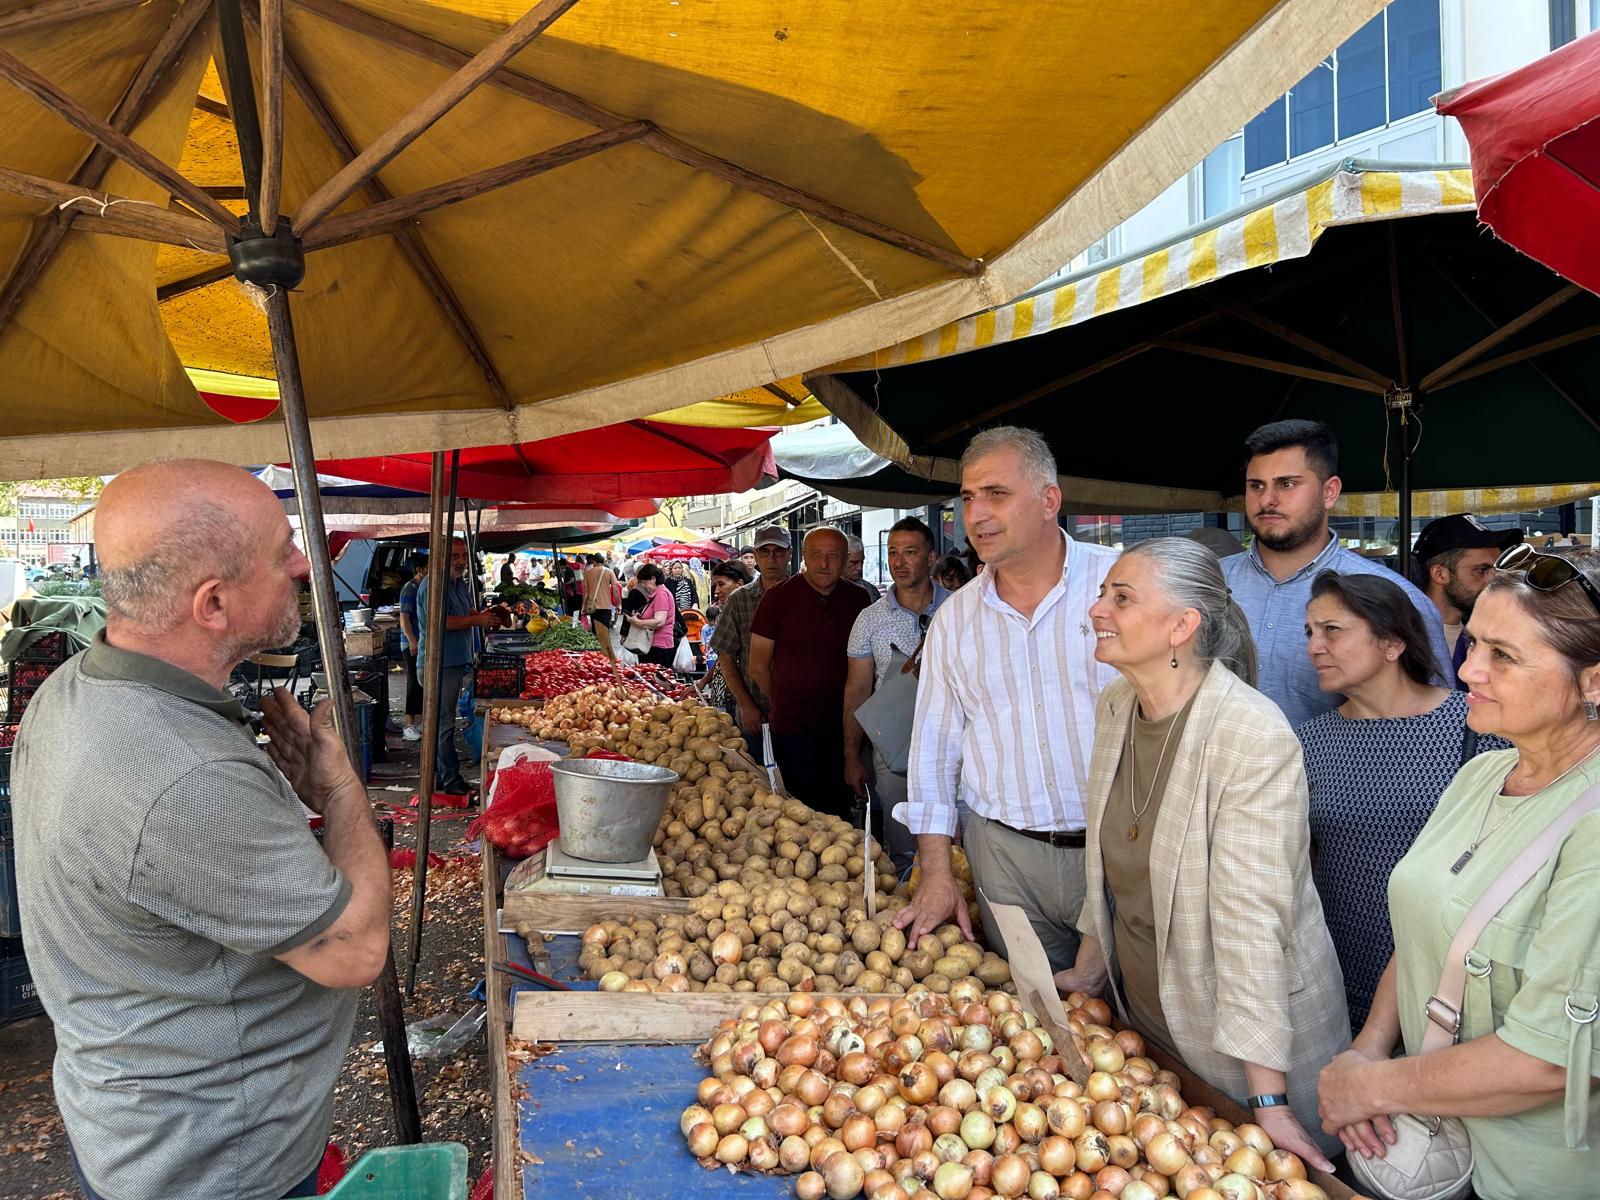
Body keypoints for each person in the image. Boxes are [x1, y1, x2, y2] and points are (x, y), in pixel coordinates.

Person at [10, 460, 391, 1200]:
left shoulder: (72, 688)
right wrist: (341, 790)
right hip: (214, 1162)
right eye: (281, 552)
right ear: (212, 604)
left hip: (137, 1122)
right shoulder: (186, 776)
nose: (303, 565)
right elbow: (354, 949)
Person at [1319, 548, 1600, 1200]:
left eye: (1504, 656)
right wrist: (1368, 1047)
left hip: (1531, 1178)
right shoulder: (1482, 772)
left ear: (1593, 682)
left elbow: (1553, 1059)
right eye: (1473, 643)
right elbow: (1429, 928)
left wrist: (1374, 1086)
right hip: (1440, 1140)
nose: (1468, 668)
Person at [1058, 536, 1348, 1167]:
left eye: (1122, 598)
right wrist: (1088, 972)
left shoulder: (1251, 735)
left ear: (1181, 626)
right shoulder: (1118, 705)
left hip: (1241, 1046)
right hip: (1146, 1023)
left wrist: (1268, 1102)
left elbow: (1252, 924)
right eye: (1104, 593)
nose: (1097, 609)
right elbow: (1110, 867)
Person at [896, 426, 1118, 972]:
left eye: (996, 494)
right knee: (1031, 1008)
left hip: (1118, 853)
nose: (976, 515)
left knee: (1135, 1013)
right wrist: (937, 871)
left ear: (1049, 500)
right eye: (969, 497)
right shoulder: (954, 619)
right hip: (1005, 862)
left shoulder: (1118, 585)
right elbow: (933, 749)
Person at [1298, 569, 1510, 1034]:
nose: (1315, 646)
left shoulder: (1474, 728)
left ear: (1393, 643)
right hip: (1339, 972)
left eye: (1332, 630)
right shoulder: (1308, 743)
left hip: (1446, 977)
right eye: (1310, 632)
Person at [1221, 418, 1451, 729]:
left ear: (1330, 492)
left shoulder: (1394, 596)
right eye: (1256, 485)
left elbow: (1435, 721)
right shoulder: (1210, 584)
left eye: (1287, 484)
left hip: (1344, 761)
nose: (1267, 500)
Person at [843, 517, 947, 874]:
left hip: (954, 751)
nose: (899, 562)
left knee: (959, 853)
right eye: (892, 553)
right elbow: (857, 690)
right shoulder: (869, 619)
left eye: (910, 552)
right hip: (893, 754)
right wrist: (851, 756)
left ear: (931, 558)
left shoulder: (959, 609)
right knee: (903, 852)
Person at [748, 527, 872, 817]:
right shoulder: (777, 598)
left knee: (838, 814)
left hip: (844, 728)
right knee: (797, 815)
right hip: (793, 729)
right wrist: (785, 699)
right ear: (803, 556)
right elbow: (757, 666)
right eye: (816, 555)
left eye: (833, 556)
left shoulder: (858, 599)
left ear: (846, 559)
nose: (824, 563)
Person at [416, 536, 510, 795]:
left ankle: (440, 774)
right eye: (454, 556)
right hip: (439, 664)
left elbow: (465, 612)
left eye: (463, 556)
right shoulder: (433, 585)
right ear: (441, 558)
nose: (461, 561)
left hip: (455, 662)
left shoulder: (458, 583)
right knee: (443, 724)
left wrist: (485, 615)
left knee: (443, 722)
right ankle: (450, 780)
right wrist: (476, 621)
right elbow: (440, 622)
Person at [1410, 512, 1523, 687]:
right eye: (1482, 570)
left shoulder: (1490, 633)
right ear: (1440, 574)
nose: (1494, 580)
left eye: (1497, 570)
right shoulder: (1404, 640)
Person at [711, 526, 792, 745]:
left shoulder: (803, 596)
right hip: (756, 712)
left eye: (778, 551)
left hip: (798, 713)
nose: (771, 558)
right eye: (764, 551)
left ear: (790, 554)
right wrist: (746, 705)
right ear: (755, 555)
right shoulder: (740, 599)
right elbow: (725, 655)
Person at [396, 554, 427, 741]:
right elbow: (404, 617)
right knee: (414, 682)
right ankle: (408, 725)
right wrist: (412, 640)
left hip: (421, 642)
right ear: (419, 570)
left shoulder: (423, 587)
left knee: (421, 682)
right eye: (428, 567)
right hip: (412, 643)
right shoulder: (410, 589)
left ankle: (420, 722)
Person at [630, 563, 678, 668]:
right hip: (654, 646)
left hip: (659, 647)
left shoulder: (661, 594)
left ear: (653, 579)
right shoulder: (657, 593)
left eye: (644, 582)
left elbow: (659, 621)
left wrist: (637, 622)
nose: (643, 585)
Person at [580, 552, 620, 661]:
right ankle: (606, 658)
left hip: (592, 608)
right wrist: (618, 604)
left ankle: (597, 658)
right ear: (603, 561)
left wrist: (583, 606)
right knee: (605, 633)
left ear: (594, 561)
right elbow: (615, 589)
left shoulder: (588, 573)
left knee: (595, 633)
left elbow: (586, 592)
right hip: (606, 607)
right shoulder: (610, 572)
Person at [844, 535, 882, 601]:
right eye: (854, 562)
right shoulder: (827, 590)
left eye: (862, 562)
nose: (859, 568)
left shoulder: (872, 591)